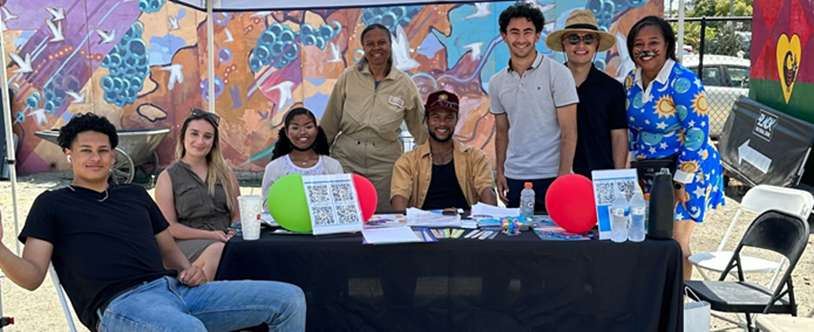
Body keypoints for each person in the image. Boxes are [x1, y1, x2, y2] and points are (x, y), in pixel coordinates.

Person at [0, 113, 305, 331]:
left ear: (113, 155)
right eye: (86, 151)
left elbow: (170, 252)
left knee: (289, 298)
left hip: (175, 290)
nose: (96, 158)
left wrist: (189, 272)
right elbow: (31, 277)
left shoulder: (134, 194)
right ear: (68, 154)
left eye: (103, 150)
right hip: (120, 305)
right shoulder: (52, 204)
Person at [624, 16, 725, 279]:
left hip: (685, 172)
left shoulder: (684, 81)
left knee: (676, 243)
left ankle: (677, 310)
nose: (645, 49)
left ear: (668, 44)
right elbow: (632, 129)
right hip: (650, 173)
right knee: (651, 238)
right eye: (638, 43)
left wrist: (680, 182)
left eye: (653, 42)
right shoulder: (630, 81)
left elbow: (697, 133)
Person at [322, 23, 428, 212]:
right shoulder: (348, 77)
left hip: (386, 164)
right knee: (344, 215)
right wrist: (319, 155)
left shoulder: (404, 84)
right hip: (347, 159)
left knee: (384, 218)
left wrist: (437, 159)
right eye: (370, 44)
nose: (376, 48)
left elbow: (420, 128)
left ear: (390, 45)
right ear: (363, 48)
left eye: (382, 42)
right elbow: (331, 120)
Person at [490, 2, 579, 211]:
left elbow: (569, 131)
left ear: (537, 36)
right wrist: (500, 171)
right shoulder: (496, 82)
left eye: (527, 32)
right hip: (514, 177)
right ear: (504, 36)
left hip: (551, 176)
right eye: (514, 32)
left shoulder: (558, 74)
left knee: (554, 241)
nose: (521, 39)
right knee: (517, 242)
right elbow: (502, 132)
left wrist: (563, 177)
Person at [155, 109, 240, 282]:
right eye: (194, 134)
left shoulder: (226, 173)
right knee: (217, 250)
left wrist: (232, 231)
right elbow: (170, 227)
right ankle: (202, 302)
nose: (200, 141)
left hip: (226, 238)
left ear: (213, 142)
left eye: (207, 136)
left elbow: (237, 213)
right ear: (183, 137)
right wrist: (211, 236)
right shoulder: (168, 177)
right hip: (185, 244)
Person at [544, 10, 628, 178]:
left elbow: (619, 137)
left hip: (599, 178)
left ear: (596, 44)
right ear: (563, 44)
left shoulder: (612, 88)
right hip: (552, 176)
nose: (581, 45)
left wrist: (616, 179)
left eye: (588, 39)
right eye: (573, 39)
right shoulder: (547, 85)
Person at [391, 90, 497, 211]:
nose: (442, 123)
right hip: (422, 224)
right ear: (427, 120)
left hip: (465, 223)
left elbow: (486, 190)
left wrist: (490, 218)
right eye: (436, 118)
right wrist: (403, 224)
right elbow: (399, 197)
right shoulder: (408, 161)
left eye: (449, 118)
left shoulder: (475, 157)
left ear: (456, 120)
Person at [261, 107, 344, 206]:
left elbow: (341, 202)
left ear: (316, 130)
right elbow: (268, 206)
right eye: (295, 128)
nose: (303, 132)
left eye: (308, 127)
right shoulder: (274, 167)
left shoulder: (333, 166)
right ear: (287, 132)